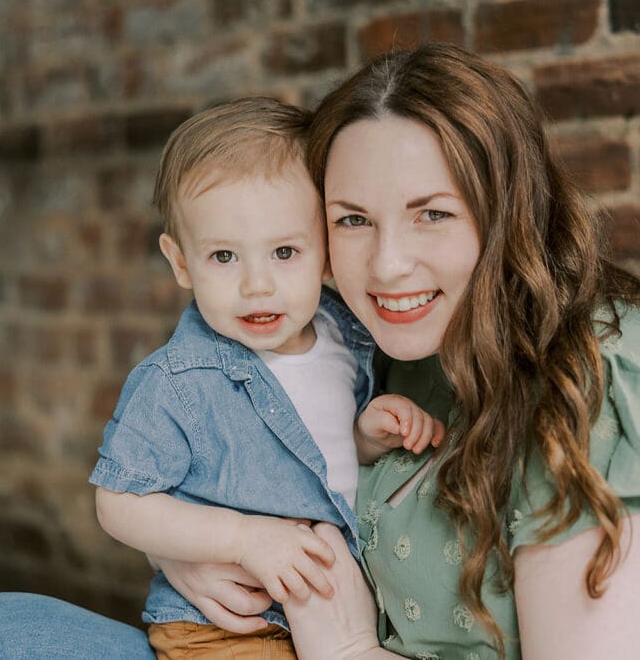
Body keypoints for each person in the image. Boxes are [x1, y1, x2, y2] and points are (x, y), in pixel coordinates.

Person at [0, 42, 640, 660]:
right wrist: (198, 545)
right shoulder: (385, 341)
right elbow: (252, 437)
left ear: (507, 214)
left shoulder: (600, 387)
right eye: (352, 219)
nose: (386, 264)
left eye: (433, 212)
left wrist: (347, 647)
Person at [89, 96, 442, 658]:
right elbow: (118, 501)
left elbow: (317, 461)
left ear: (324, 251)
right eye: (224, 257)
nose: (257, 285)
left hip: (340, 615)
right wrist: (242, 539)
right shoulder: (179, 381)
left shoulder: (346, 339)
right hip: (232, 627)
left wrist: (364, 440)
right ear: (181, 262)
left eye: (284, 252)